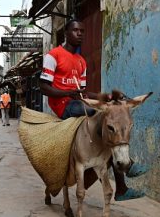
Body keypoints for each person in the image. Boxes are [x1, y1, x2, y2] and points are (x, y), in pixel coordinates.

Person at [39, 19, 147, 201]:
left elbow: (83, 93)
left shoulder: (81, 61)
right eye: (75, 30)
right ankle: (127, 169)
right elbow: (43, 87)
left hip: (77, 103)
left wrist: (110, 98)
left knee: (112, 116)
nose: (80, 34)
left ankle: (121, 188)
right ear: (66, 33)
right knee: (99, 117)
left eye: (82, 31)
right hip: (62, 105)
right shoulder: (53, 55)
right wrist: (69, 92)